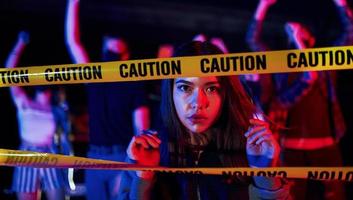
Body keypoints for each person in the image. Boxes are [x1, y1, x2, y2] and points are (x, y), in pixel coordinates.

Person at [118, 41, 290, 200]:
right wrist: (144, 178)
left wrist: (265, 176)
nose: (198, 103)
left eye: (211, 88)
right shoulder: (145, 151)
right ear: (170, 92)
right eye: (185, 87)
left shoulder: (254, 149)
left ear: (225, 94)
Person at [246, 0, 353, 199]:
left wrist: (341, 5)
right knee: (293, 194)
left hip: (325, 143)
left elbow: (349, 37)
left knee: (335, 192)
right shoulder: (281, 66)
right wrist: (263, 5)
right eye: (289, 31)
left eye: (299, 29)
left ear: (311, 38)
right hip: (291, 144)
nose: (293, 31)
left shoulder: (324, 62)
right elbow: (253, 40)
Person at [65, 0, 150, 199]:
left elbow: (141, 127)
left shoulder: (132, 83)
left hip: (119, 156)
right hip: (95, 156)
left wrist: (138, 164)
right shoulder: (96, 76)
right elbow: (72, 42)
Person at [6, 31, 70, 200]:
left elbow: (65, 137)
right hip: (27, 153)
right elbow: (8, 73)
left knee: (58, 196)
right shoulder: (24, 102)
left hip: (49, 153)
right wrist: (19, 44)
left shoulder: (56, 109)